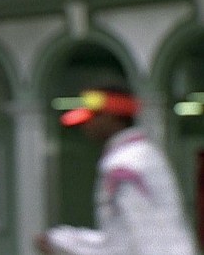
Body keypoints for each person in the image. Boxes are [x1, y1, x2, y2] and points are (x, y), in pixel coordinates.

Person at [34, 87, 197, 254]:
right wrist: (61, 241)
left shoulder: (125, 164)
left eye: (93, 117)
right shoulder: (145, 154)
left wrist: (63, 242)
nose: (87, 126)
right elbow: (122, 239)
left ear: (112, 116)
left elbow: (142, 240)